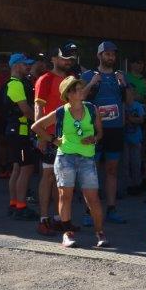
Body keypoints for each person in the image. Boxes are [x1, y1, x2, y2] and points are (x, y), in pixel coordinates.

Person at [31, 76, 108, 248]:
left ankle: (100, 233)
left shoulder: (91, 108)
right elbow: (36, 126)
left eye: (81, 88)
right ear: (69, 94)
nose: (82, 91)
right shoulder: (61, 112)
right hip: (65, 157)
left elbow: (100, 133)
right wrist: (53, 140)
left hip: (87, 158)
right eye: (78, 89)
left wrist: (94, 139)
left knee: (92, 198)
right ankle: (67, 234)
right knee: (65, 196)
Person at [33, 43, 78, 235]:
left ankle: (60, 219)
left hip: (69, 137)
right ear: (53, 58)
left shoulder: (72, 79)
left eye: (70, 58)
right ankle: (44, 219)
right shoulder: (45, 79)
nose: (67, 61)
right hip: (50, 135)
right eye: (64, 57)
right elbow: (38, 108)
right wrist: (41, 136)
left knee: (64, 179)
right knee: (48, 176)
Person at [81, 41, 128, 224]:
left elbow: (129, 101)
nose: (111, 57)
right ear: (99, 55)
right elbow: (79, 97)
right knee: (90, 170)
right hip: (94, 129)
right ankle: (88, 211)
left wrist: (124, 84)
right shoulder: (88, 75)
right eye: (107, 54)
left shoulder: (120, 76)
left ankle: (111, 208)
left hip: (115, 129)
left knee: (112, 169)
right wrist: (92, 83)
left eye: (113, 54)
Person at [2, 53, 38, 220]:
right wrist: (41, 123)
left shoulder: (17, 83)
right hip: (19, 132)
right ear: (16, 66)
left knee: (17, 168)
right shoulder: (15, 84)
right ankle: (21, 207)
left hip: (15, 131)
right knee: (26, 168)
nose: (28, 67)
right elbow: (26, 110)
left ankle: (14, 204)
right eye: (25, 64)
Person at [124, 86, 146, 196]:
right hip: (124, 138)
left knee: (136, 162)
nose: (127, 96)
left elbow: (141, 120)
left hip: (136, 138)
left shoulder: (138, 106)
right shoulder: (122, 106)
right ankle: (127, 185)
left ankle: (137, 184)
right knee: (125, 163)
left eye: (129, 93)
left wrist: (130, 119)